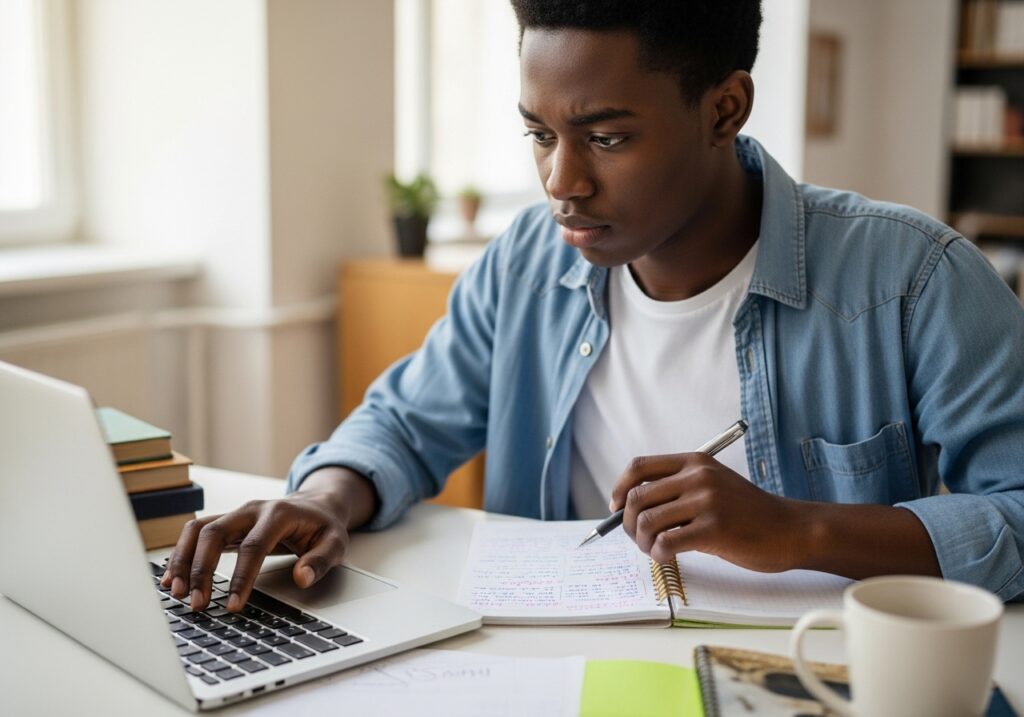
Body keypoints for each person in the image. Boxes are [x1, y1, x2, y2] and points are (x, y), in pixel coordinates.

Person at [163, 0, 1024, 613]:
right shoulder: (527, 263)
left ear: (725, 108)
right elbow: (402, 420)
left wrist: (801, 530)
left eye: (606, 138)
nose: (560, 184)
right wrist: (326, 495)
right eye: (540, 134)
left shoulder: (914, 278)